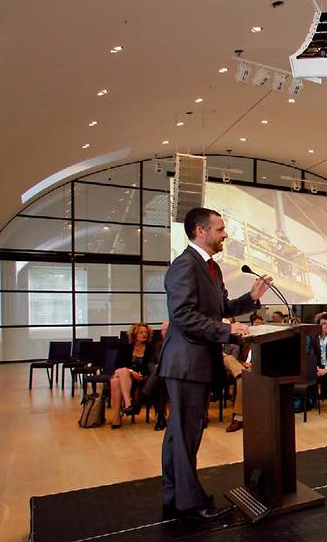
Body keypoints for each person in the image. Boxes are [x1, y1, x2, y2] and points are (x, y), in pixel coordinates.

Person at [158, 207, 269, 520]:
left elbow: (223, 306)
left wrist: (251, 298)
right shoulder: (184, 266)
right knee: (186, 433)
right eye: (220, 229)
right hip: (185, 363)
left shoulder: (212, 269)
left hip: (197, 362)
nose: (225, 234)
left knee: (181, 434)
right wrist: (226, 328)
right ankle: (189, 503)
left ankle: (173, 495)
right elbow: (183, 315)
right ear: (199, 231)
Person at [109, 323, 155, 428]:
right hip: (125, 377)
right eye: (141, 332)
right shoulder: (126, 347)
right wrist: (130, 371)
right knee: (123, 371)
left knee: (115, 381)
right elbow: (117, 366)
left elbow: (151, 366)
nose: (144, 335)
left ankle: (117, 418)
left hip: (141, 379)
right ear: (134, 334)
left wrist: (142, 374)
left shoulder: (150, 348)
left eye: (146, 333)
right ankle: (128, 404)